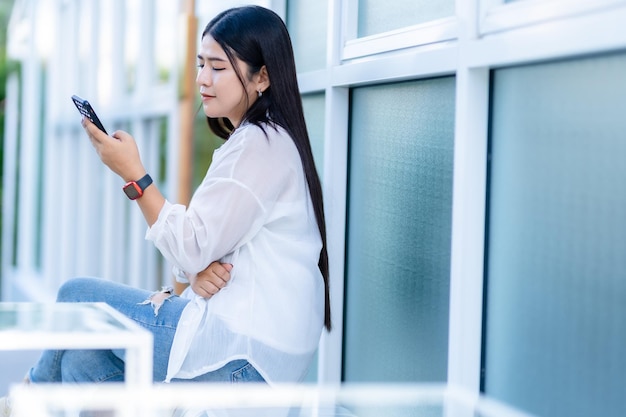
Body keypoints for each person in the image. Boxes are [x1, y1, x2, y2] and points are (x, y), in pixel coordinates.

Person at [1, 5, 330, 415]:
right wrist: (194, 268)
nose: (202, 79)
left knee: (76, 296)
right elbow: (197, 248)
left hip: (243, 357)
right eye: (200, 64)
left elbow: (191, 245)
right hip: (255, 357)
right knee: (82, 362)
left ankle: (20, 403)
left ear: (262, 76)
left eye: (218, 67)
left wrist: (135, 177)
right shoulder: (268, 142)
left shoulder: (258, 146)